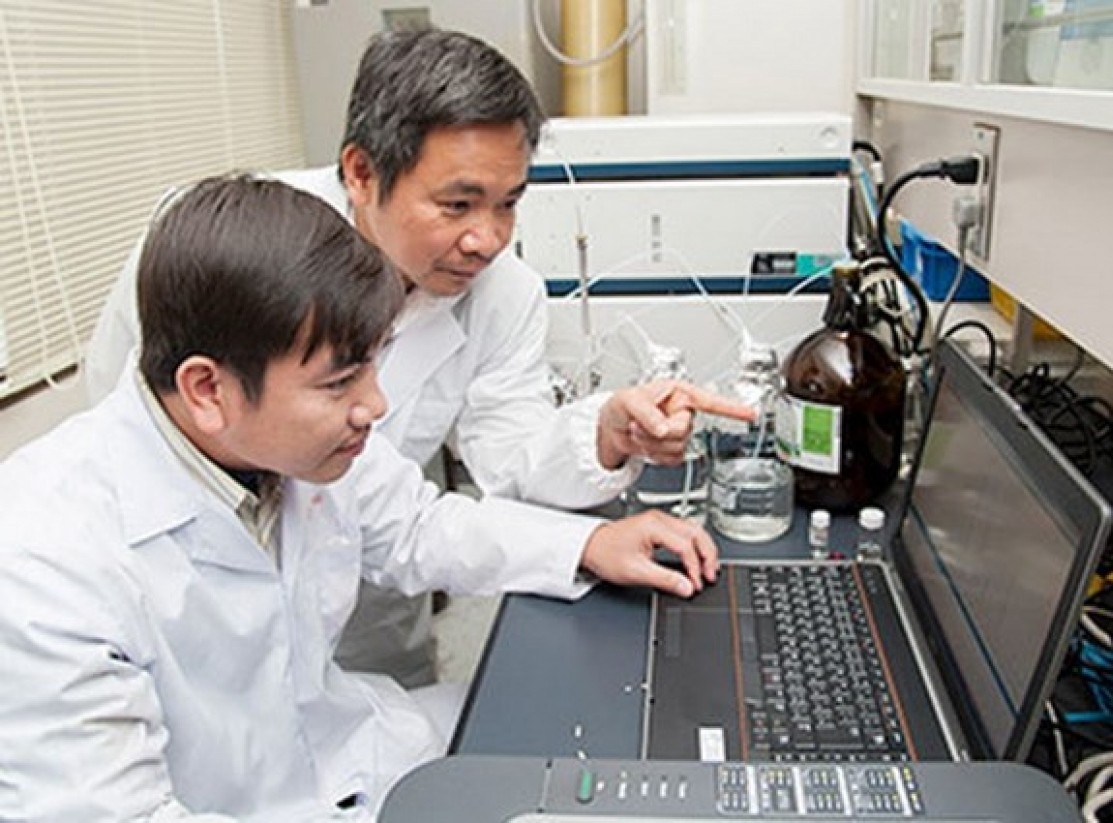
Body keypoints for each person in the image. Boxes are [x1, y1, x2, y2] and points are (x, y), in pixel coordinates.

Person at [0, 176, 721, 822]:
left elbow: (416, 525)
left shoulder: (282, 447)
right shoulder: (42, 561)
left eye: (373, 367)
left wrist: (590, 544)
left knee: (614, 758)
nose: (375, 405)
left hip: (356, 752)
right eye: (341, 382)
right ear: (207, 389)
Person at [84, 28, 753, 688]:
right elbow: (135, 446)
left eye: (510, 202)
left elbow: (463, 488)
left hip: (371, 589)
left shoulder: (502, 293)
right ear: (361, 172)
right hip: (196, 602)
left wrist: (605, 433)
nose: (488, 238)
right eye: (457, 204)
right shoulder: (225, 250)